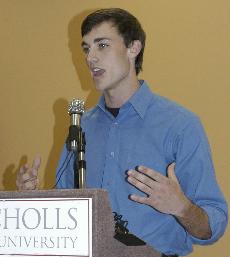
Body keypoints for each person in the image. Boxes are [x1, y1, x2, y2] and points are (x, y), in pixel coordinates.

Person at [16, 8, 228, 257]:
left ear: (133, 48)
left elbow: (213, 227)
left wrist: (181, 207)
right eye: (86, 49)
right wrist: (32, 200)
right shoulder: (80, 126)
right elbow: (65, 215)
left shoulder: (181, 125)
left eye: (102, 45)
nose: (90, 58)